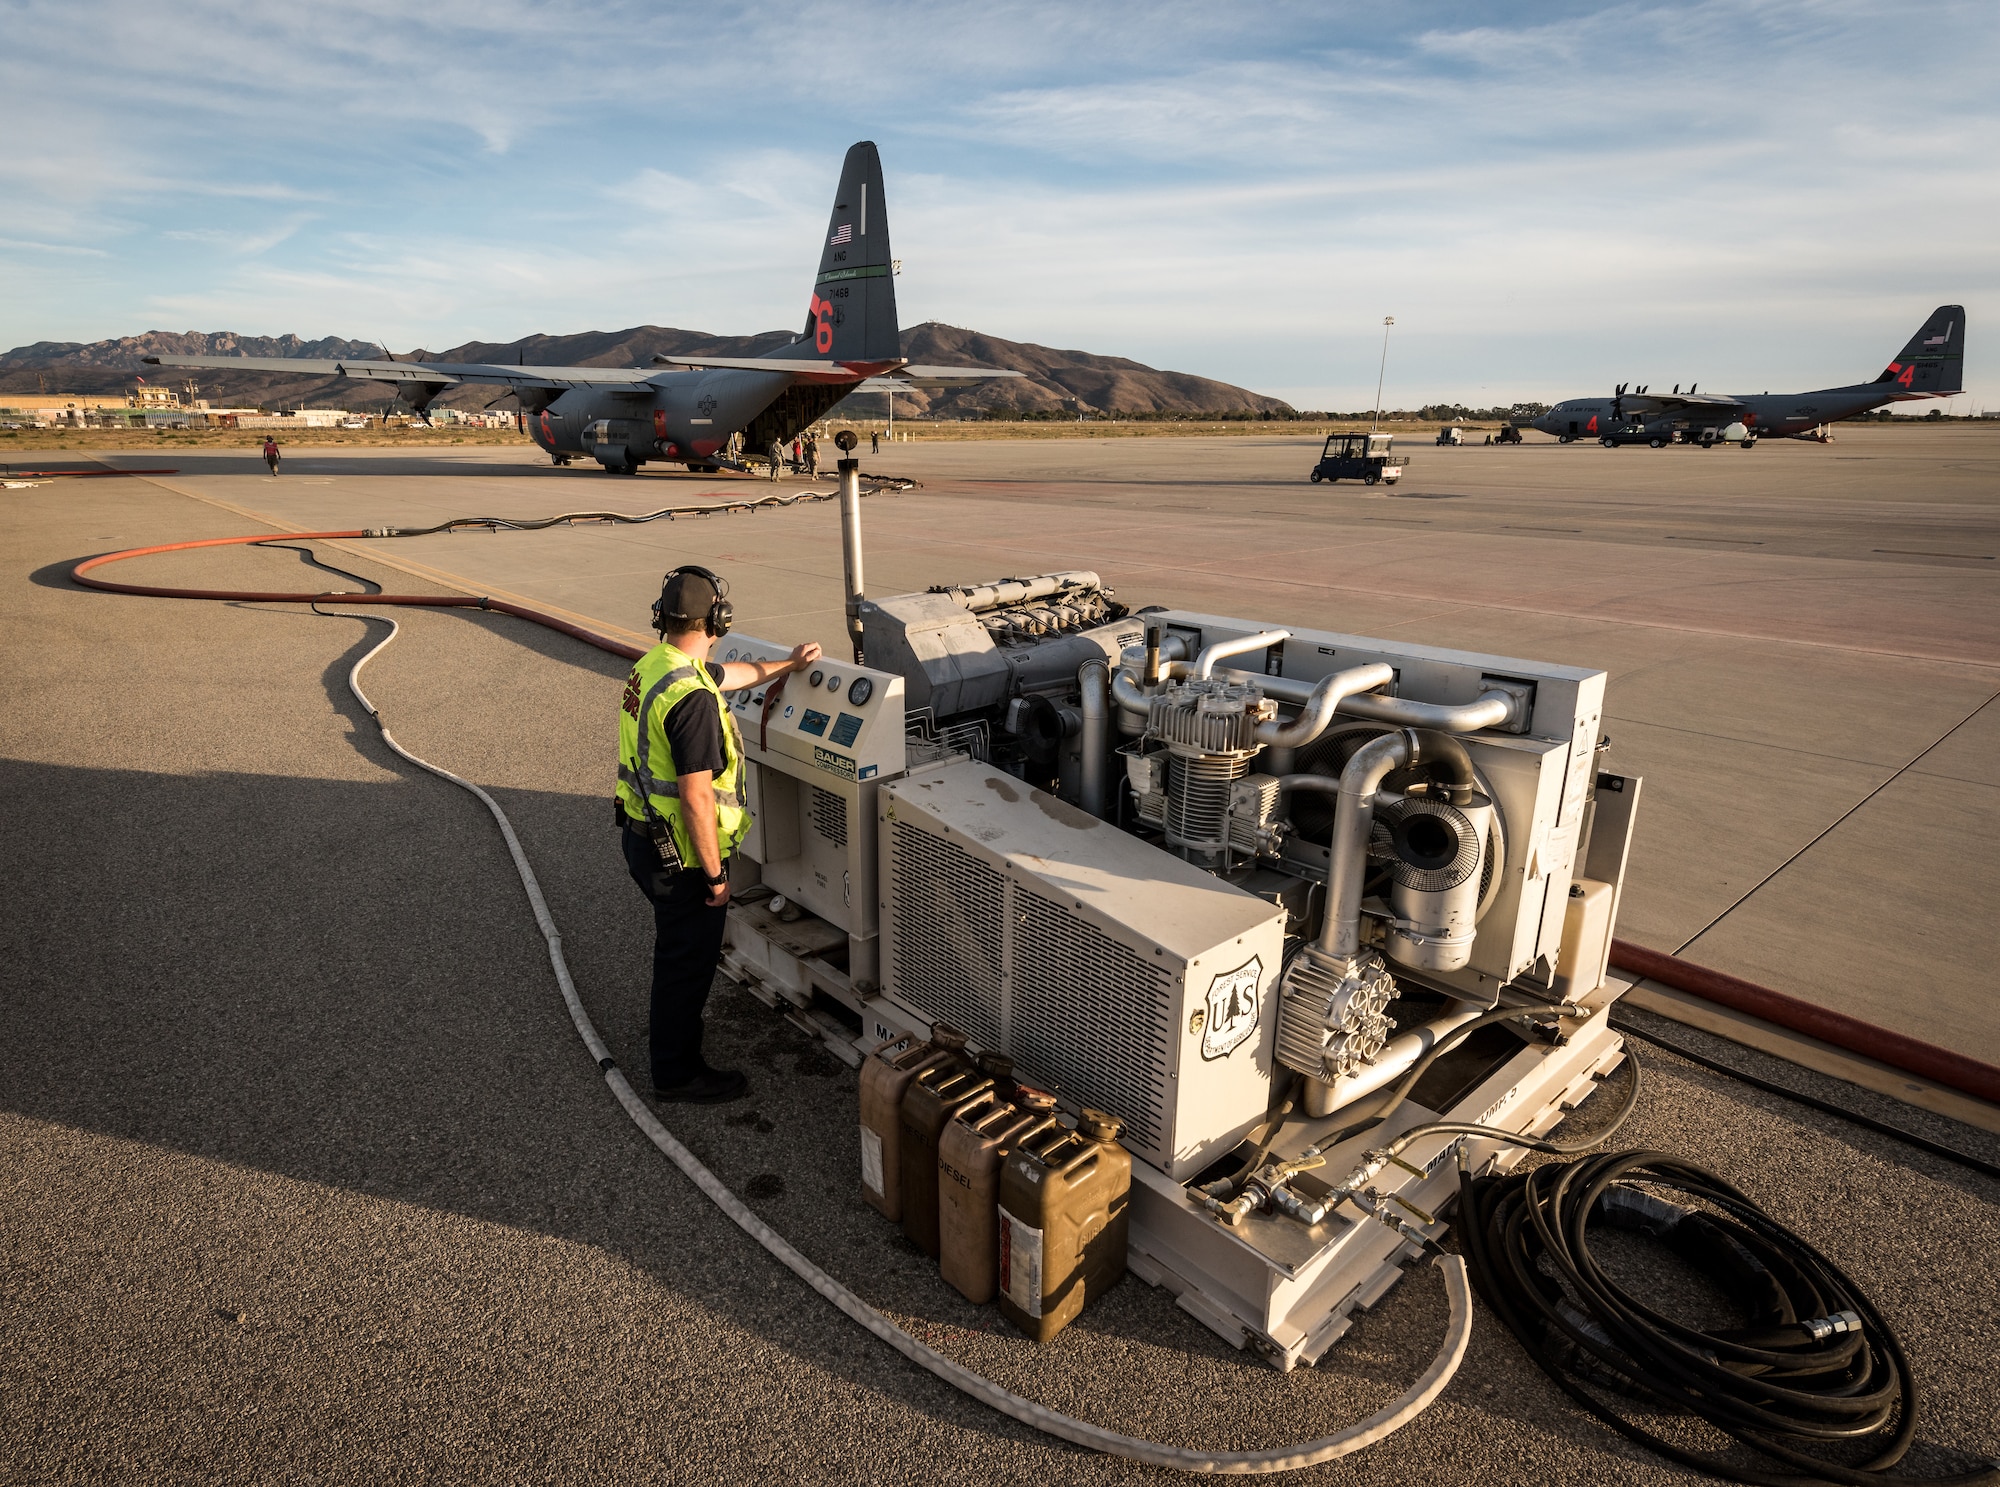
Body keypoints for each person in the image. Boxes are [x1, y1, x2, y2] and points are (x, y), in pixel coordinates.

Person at [617, 566, 821, 1103]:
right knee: (686, 960)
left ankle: (671, 1042)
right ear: (719, 621)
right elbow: (697, 799)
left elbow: (729, 676)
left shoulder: (658, 667)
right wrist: (713, 878)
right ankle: (677, 1073)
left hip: (640, 838)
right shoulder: (694, 701)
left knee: (676, 951)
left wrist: (787, 665)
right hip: (680, 857)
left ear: (663, 617)